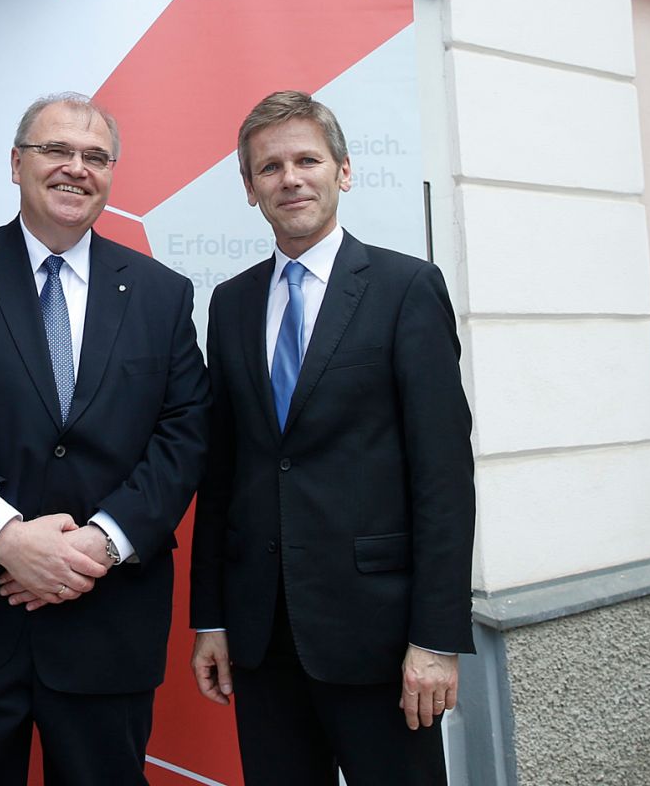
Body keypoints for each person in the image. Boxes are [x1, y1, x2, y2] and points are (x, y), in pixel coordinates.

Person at [0, 93, 208, 786]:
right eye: (57, 150)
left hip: (105, 621)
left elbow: (183, 434)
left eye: (95, 157)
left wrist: (100, 543)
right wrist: (7, 537)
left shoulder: (161, 293)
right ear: (16, 163)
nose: (75, 169)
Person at [188, 91, 475, 786]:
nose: (290, 178)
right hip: (263, 636)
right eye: (270, 167)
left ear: (343, 172)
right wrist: (212, 618)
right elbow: (220, 472)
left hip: (380, 639)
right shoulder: (230, 303)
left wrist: (435, 640)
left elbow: (442, 474)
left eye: (307, 160)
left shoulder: (406, 288)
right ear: (250, 187)